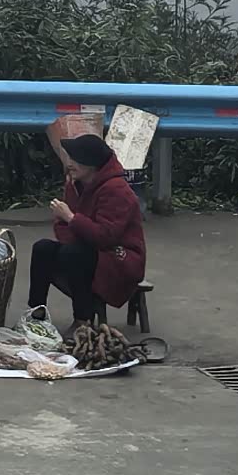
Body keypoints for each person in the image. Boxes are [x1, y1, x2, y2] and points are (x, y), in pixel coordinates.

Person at [28, 131, 145, 332]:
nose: (69, 164)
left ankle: (83, 319)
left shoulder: (117, 190)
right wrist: (73, 227)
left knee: (75, 253)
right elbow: (61, 227)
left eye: (75, 160)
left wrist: (72, 219)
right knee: (43, 248)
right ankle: (36, 314)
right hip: (85, 249)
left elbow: (106, 237)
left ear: (91, 165)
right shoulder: (74, 184)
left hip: (119, 258)